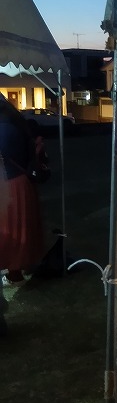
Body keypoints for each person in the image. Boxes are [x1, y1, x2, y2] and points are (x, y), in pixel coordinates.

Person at [0, 97, 44, 335]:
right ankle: (15, 271)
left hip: (9, 184)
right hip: (20, 182)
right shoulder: (15, 122)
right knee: (19, 228)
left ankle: (14, 272)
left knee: (11, 231)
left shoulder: (4, 127)